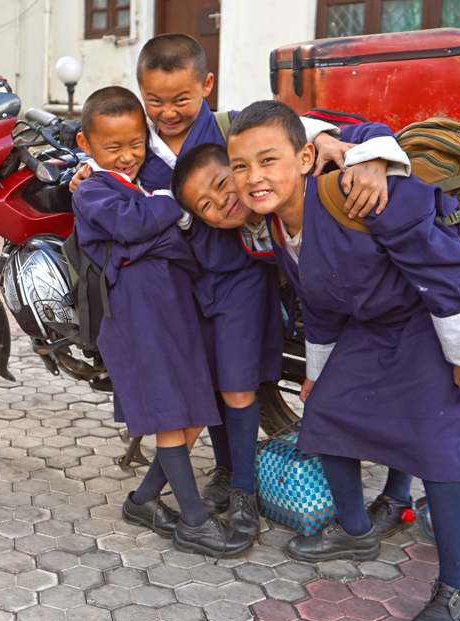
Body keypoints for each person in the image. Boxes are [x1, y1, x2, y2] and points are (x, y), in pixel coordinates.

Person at [225, 100, 460, 621]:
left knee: (439, 444)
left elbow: (439, 262)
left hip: (429, 320)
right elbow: (320, 307)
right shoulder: (278, 227)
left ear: (304, 157)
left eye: (268, 160)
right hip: (370, 329)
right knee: (326, 411)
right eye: (240, 165)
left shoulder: (354, 192)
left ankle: (459, 587)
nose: (254, 177)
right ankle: (355, 532)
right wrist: (318, 373)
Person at [170, 142, 419, 539]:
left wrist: (358, 152)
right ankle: (356, 520)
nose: (223, 200)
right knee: (341, 400)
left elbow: (303, 129)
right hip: (335, 312)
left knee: (399, 393)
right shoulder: (258, 226)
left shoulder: (304, 188)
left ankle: (397, 493)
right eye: (206, 206)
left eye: (224, 182)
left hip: (394, 302)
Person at [72, 86, 253, 559]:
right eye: (113, 148)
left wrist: (149, 226)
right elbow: (131, 227)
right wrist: (180, 201)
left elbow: (144, 232)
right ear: (85, 145)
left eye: (136, 143)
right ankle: (193, 521)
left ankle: (143, 500)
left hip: (174, 308)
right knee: (171, 414)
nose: (128, 155)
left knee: (192, 410)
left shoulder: (134, 187)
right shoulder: (91, 188)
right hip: (138, 315)